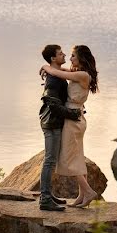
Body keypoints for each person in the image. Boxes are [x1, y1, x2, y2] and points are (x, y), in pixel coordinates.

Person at [42, 44, 100, 207]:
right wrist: (48, 67)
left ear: (80, 58)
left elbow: (56, 72)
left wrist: (44, 66)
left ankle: (88, 191)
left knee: (69, 159)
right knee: (78, 156)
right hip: (77, 118)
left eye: (73, 56)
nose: (70, 58)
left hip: (73, 119)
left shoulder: (82, 75)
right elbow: (60, 72)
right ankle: (82, 196)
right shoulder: (78, 73)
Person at [38, 44, 82, 211]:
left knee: (51, 160)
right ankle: (45, 199)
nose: (64, 55)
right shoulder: (53, 80)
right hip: (52, 123)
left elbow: (64, 71)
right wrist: (74, 114)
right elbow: (52, 105)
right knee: (49, 161)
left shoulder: (56, 74)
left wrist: (45, 67)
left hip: (55, 122)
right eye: (60, 53)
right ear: (53, 59)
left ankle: (49, 194)